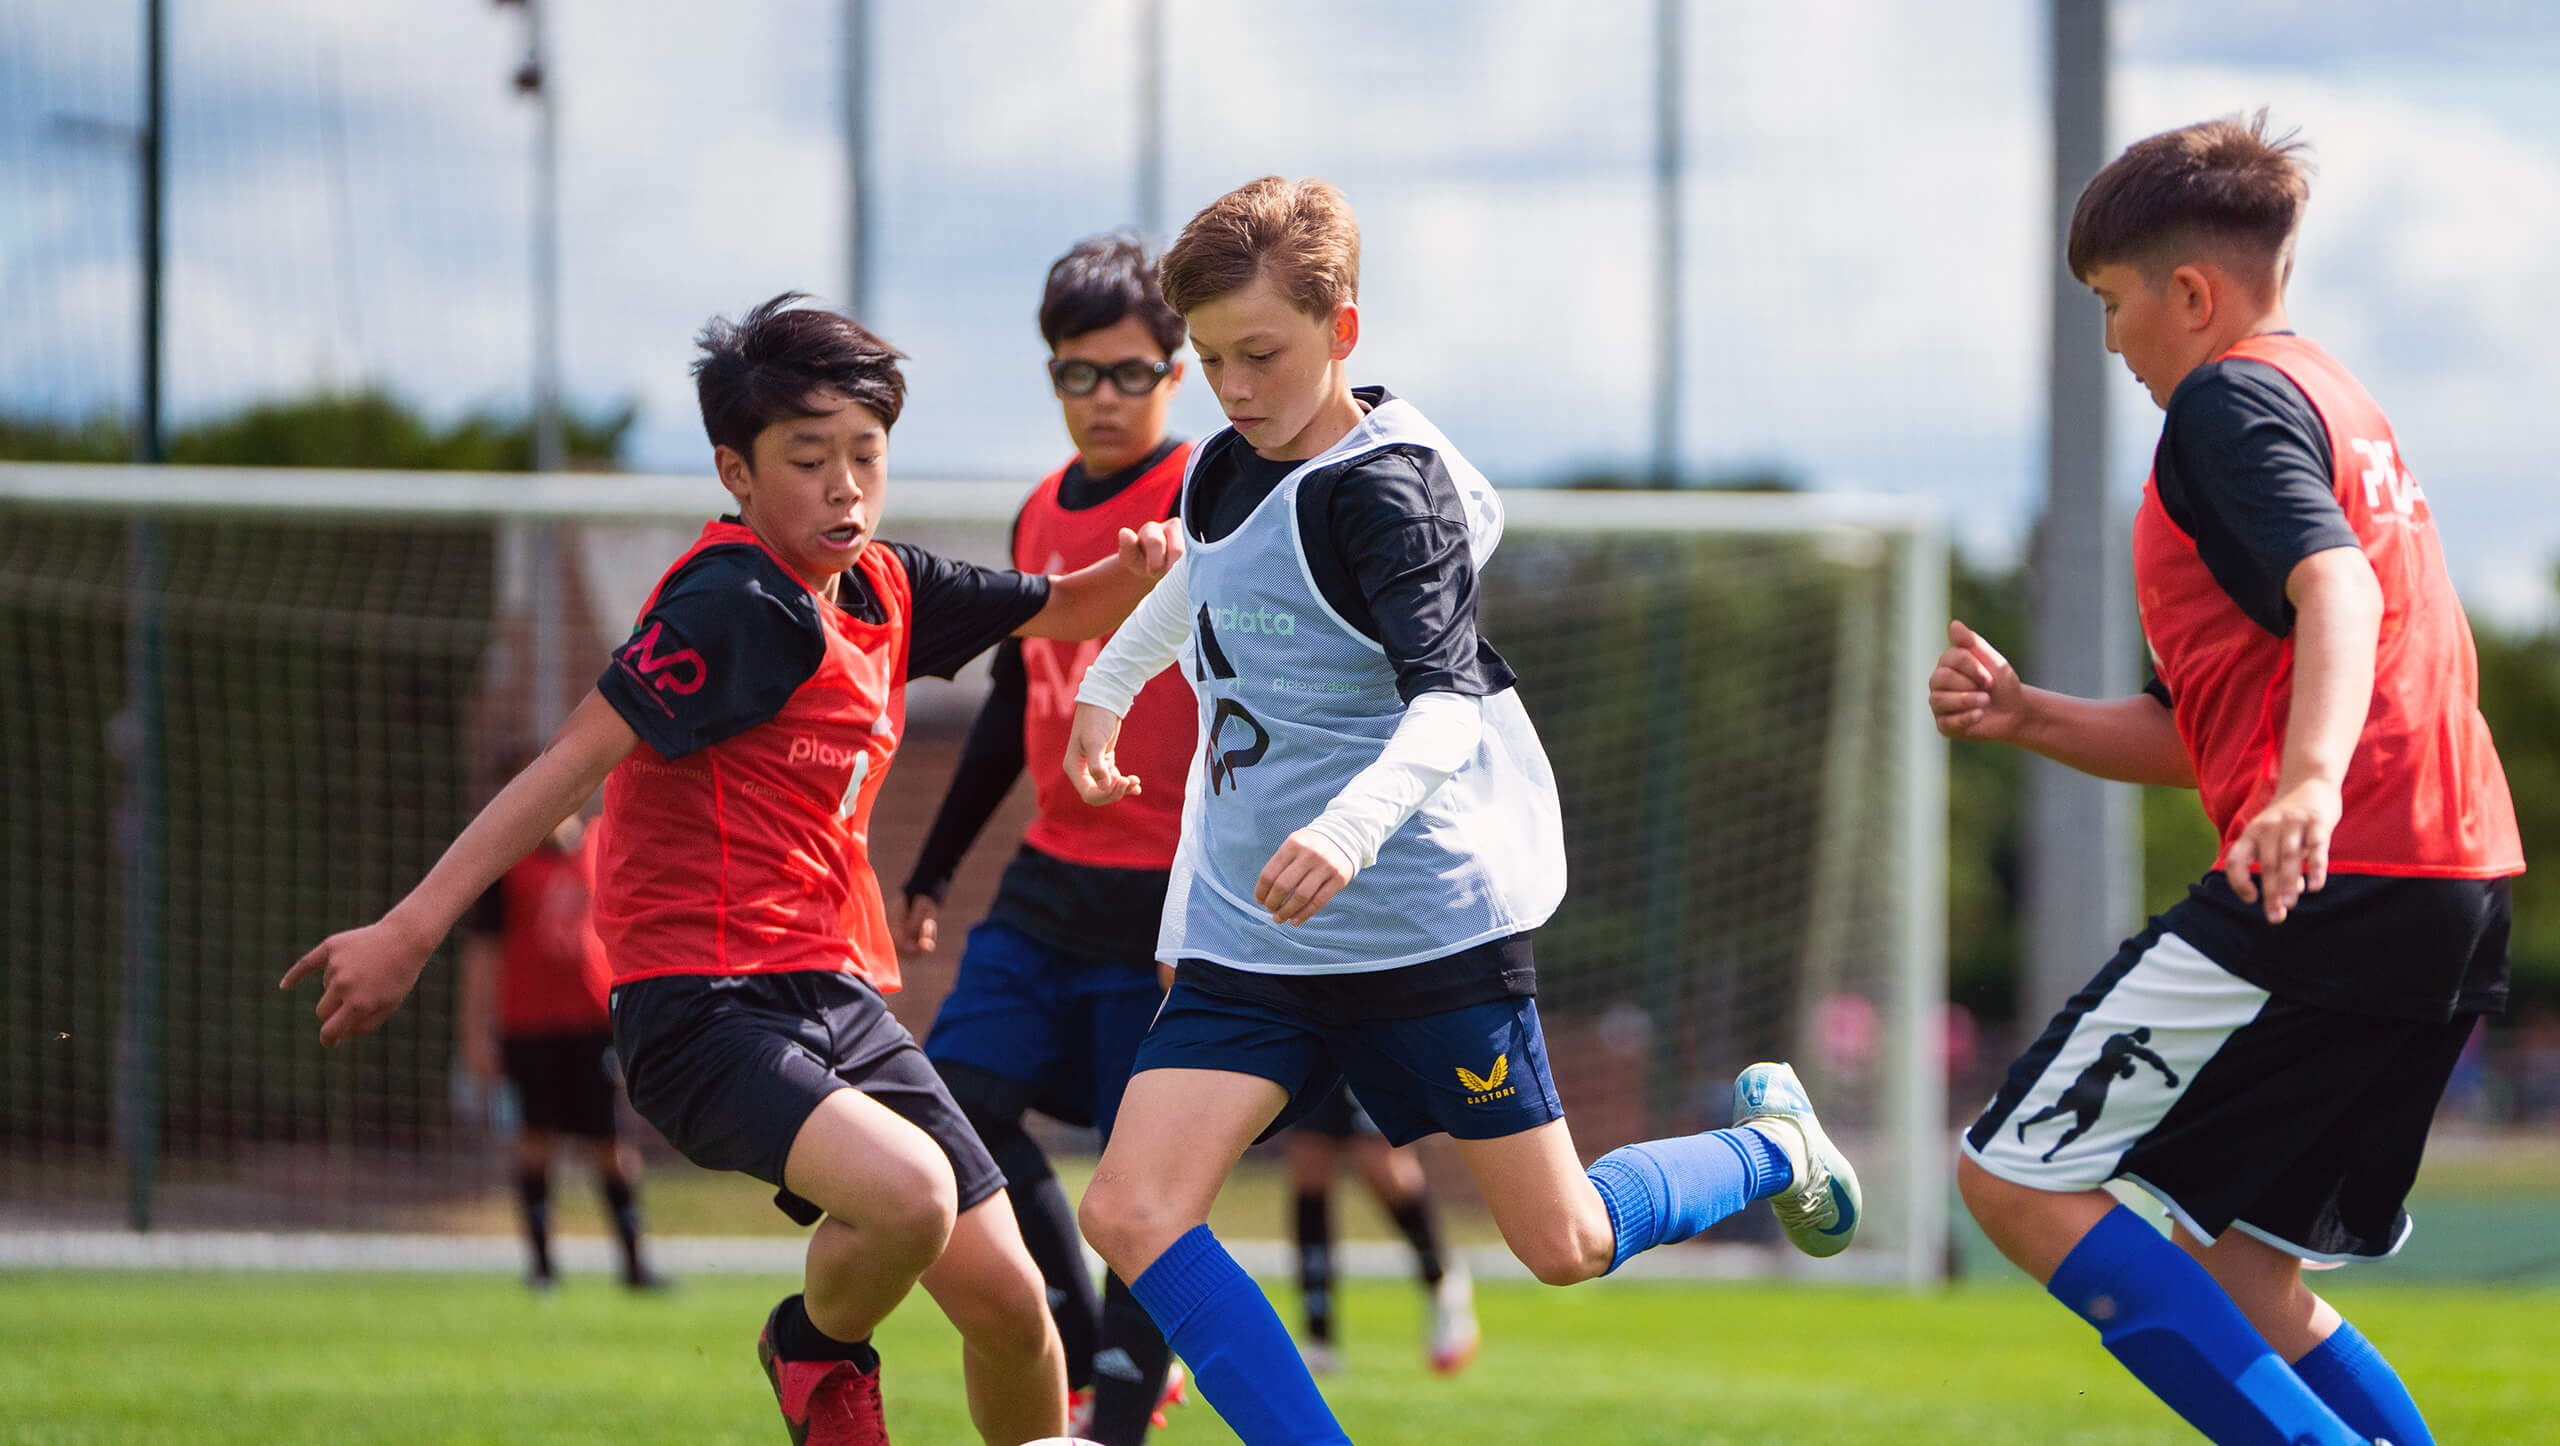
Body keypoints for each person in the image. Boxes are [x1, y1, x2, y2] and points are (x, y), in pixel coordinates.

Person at [284, 293, 1184, 1446]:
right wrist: (408, 929)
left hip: (838, 998)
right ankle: (812, 1348)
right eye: (808, 460)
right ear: (737, 470)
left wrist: (1165, 557)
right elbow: (569, 762)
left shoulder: (892, 588)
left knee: (1017, 1314)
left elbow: (1070, 608)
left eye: (866, 454)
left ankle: (840, 1355)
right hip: (699, 1009)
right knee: (906, 1195)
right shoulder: (729, 601)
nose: (846, 485)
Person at [1060, 176, 1864, 1446]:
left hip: (1421, 925)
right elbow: (1202, 582)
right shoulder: (1223, 465)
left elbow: (1446, 707)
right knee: (1132, 1209)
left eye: (1261, 353)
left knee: (1563, 1241)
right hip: (1257, 936)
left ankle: (1771, 1148)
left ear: (1344, 330)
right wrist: (1106, 690)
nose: (1234, 387)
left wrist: (1343, 830)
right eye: (1210, 360)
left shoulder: (1394, 495)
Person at [1936, 113, 2520, 1446]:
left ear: (2189, 295)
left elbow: (2339, 587)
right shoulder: (2335, 399)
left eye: (2111, 301)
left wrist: (2309, 783)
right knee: (2250, 1277)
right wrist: (2031, 715)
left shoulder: (2225, 400)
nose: (2109, 341)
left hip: (2341, 863)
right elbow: (2209, 721)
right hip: (2449, 875)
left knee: (2014, 1178)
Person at [894, 232, 1195, 1446]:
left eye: (1129, 373)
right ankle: (1071, 1339)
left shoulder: (1208, 496)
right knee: (952, 1103)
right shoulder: (1033, 511)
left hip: (1175, 898)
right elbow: (1015, 703)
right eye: (1079, 375)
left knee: (1146, 1183)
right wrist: (932, 865)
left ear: (1178, 371)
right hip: (1048, 884)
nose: (1104, 399)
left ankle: (1120, 1411)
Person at [455, 798, 660, 1292]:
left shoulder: (600, 849)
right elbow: (482, 954)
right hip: (528, 1026)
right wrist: (474, 1034)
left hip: (593, 1025)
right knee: (535, 1143)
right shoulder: (507, 867)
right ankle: (543, 1268)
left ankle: (634, 1266)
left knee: (610, 1145)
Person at [1283, 1083, 1476, 1376]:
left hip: (1367, 1046)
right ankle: (1317, 1336)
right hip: (1315, 1044)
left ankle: (1441, 1280)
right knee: (1310, 1165)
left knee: (1382, 1166)